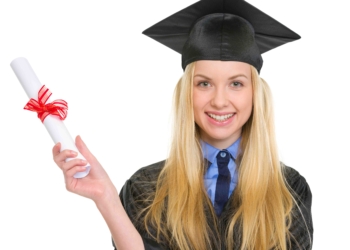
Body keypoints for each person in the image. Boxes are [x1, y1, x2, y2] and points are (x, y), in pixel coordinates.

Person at [53, 0, 313, 249]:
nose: (220, 101)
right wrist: (106, 198)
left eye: (236, 83)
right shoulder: (146, 188)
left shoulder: (289, 189)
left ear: (255, 94)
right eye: (204, 83)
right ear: (186, 92)